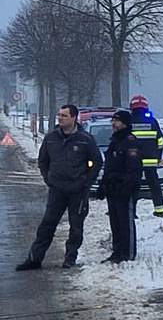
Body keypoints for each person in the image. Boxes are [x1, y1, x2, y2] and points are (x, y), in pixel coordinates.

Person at [15, 104, 101, 270]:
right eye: (59, 115)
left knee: (76, 226)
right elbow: (43, 160)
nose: (60, 118)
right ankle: (34, 259)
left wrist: (86, 181)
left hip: (78, 191)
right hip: (57, 190)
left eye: (64, 115)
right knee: (47, 224)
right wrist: (48, 178)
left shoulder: (85, 139)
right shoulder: (51, 137)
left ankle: (70, 258)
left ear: (74, 118)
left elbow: (96, 162)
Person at [96, 109, 142, 263]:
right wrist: (103, 185)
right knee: (115, 223)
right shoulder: (115, 142)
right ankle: (117, 252)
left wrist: (127, 188)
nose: (114, 124)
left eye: (117, 121)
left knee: (125, 223)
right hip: (112, 189)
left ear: (125, 123)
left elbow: (134, 169)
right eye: (113, 121)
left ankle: (127, 255)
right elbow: (109, 167)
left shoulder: (130, 142)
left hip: (124, 190)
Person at [129, 94, 163, 217]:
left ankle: (132, 212)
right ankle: (160, 210)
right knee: (155, 185)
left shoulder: (129, 121)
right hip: (151, 161)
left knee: (133, 187)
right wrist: (158, 157)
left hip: (133, 161)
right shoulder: (152, 121)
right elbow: (160, 142)